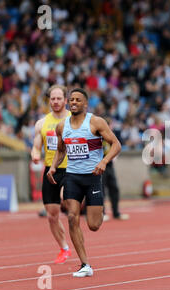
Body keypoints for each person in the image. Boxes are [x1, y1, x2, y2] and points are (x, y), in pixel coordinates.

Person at [47, 88, 121, 278]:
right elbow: (61, 150)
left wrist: (104, 161)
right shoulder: (62, 126)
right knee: (72, 216)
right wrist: (54, 166)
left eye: (78, 100)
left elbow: (116, 144)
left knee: (94, 225)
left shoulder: (96, 122)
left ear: (85, 104)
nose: (73, 102)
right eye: (71, 99)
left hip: (93, 177)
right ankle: (85, 264)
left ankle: (98, 208)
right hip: (72, 176)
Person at [31, 84, 72, 264]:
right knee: (51, 215)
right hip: (51, 171)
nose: (55, 102)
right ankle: (64, 248)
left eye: (58, 98)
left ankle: (78, 235)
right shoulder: (42, 123)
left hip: (71, 169)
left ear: (65, 100)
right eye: (52, 99)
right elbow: (36, 146)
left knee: (67, 200)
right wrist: (34, 155)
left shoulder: (75, 120)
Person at [102, 139, 129, 220]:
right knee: (101, 190)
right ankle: (101, 213)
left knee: (114, 188)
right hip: (100, 165)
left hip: (109, 165)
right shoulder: (96, 135)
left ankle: (116, 212)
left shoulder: (109, 137)